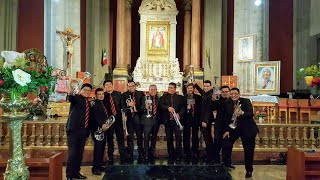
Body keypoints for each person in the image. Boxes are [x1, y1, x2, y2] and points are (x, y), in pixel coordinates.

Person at [222, 88, 259, 178]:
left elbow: (250, 114)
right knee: (226, 143)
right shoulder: (227, 103)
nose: (233, 95)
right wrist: (226, 130)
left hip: (247, 129)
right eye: (232, 94)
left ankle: (249, 170)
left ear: (239, 94)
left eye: (235, 93)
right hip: (234, 129)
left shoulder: (246, 101)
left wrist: (242, 112)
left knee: (249, 150)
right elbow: (226, 118)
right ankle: (226, 164)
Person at [65, 83, 93, 180]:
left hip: (83, 132)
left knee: (79, 154)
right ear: (81, 90)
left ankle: (76, 173)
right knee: (72, 154)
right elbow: (71, 98)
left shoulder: (88, 102)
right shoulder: (77, 98)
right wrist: (71, 93)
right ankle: (69, 175)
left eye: (88, 91)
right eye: (85, 90)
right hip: (73, 131)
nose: (86, 92)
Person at [160, 82, 186, 163]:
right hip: (168, 121)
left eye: (171, 88)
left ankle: (178, 154)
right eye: (169, 88)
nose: (169, 89)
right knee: (169, 138)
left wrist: (179, 114)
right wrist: (167, 108)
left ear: (175, 89)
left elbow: (183, 107)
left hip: (177, 121)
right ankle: (171, 154)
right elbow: (160, 105)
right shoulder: (164, 97)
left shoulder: (180, 97)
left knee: (178, 138)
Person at [103, 80, 127, 164]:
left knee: (120, 139)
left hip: (118, 119)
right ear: (104, 87)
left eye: (110, 84)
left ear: (112, 85)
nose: (108, 86)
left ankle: (123, 157)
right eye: (106, 85)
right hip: (108, 121)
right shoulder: (103, 96)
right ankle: (110, 157)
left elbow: (123, 105)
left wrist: (124, 113)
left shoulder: (118, 94)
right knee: (109, 139)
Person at [122, 80, 145, 163]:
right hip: (129, 119)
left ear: (135, 86)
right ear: (127, 87)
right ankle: (130, 153)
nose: (131, 87)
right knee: (130, 137)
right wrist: (128, 105)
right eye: (129, 86)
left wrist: (136, 109)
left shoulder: (141, 94)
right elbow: (123, 106)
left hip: (138, 117)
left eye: (132, 86)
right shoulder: (124, 95)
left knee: (139, 136)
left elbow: (143, 106)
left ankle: (140, 152)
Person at [91, 88, 112, 175]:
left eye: (102, 94)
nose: (101, 96)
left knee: (102, 148)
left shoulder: (103, 103)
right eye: (99, 94)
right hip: (97, 129)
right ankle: (95, 168)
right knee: (98, 149)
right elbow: (94, 117)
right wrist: (101, 125)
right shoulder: (94, 104)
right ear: (95, 95)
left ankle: (99, 165)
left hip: (104, 129)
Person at [211, 86, 233, 166]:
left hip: (228, 126)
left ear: (229, 92)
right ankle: (216, 161)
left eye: (226, 91)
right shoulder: (218, 101)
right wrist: (213, 100)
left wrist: (228, 128)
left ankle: (227, 162)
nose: (225, 93)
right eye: (223, 92)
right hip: (219, 125)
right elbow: (213, 108)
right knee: (217, 144)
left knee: (227, 145)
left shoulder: (232, 101)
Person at [194, 80, 214, 164]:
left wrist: (205, 121)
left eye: (207, 86)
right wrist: (195, 84)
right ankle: (209, 154)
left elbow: (208, 110)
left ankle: (210, 157)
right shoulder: (206, 93)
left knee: (207, 138)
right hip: (202, 119)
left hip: (206, 120)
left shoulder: (211, 95)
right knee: (206, 138)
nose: (205, 88)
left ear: (210, 87)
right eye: (204, 86)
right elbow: (201, 92)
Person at [141, 84, 160, 162]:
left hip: (156, 120)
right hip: (147, 120)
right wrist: (145, 107)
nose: (153, 91)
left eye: (154, 89)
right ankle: (146, 153)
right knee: (146, 137)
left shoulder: (159, 99)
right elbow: (140, 108)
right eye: (151, 90)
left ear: (156, 90)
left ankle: (152, 151)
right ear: (149, 91)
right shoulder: (144, 98)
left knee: (154, 137)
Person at [183, 83, 201, 160]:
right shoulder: (183, 98)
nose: (190, 89)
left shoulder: (198, 97)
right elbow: (181, 108)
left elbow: (200, 108)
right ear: (186, 89)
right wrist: (187, 108)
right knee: (186, 136)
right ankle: (186, 152)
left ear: (193, 89)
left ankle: (195, 152)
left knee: (195, 136)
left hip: (195, 119)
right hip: (186, 119)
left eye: (191, 88)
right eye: (188, 88)